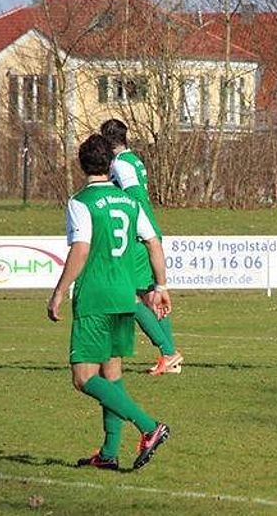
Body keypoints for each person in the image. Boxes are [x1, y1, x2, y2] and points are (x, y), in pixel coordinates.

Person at [47, 134, 170, 471]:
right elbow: (154, 242)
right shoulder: (129, 202)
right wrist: (160, 285)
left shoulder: (81, 201)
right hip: (124, 296)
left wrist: (59, 291)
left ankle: (149, 426)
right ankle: (109, 452)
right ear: (110, 165)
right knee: (111, 373)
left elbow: (81, 248)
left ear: (81, 163)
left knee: (84, 378)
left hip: (96, 297)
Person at [101, 118, 183, 376]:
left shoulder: (121, 164)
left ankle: (168, 352)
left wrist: (133, 227)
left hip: (137, 235)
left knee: (129, 295)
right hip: (145, 230)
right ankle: (170, 358)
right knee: (150, 295)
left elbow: (135, 197)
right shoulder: (132, 159)